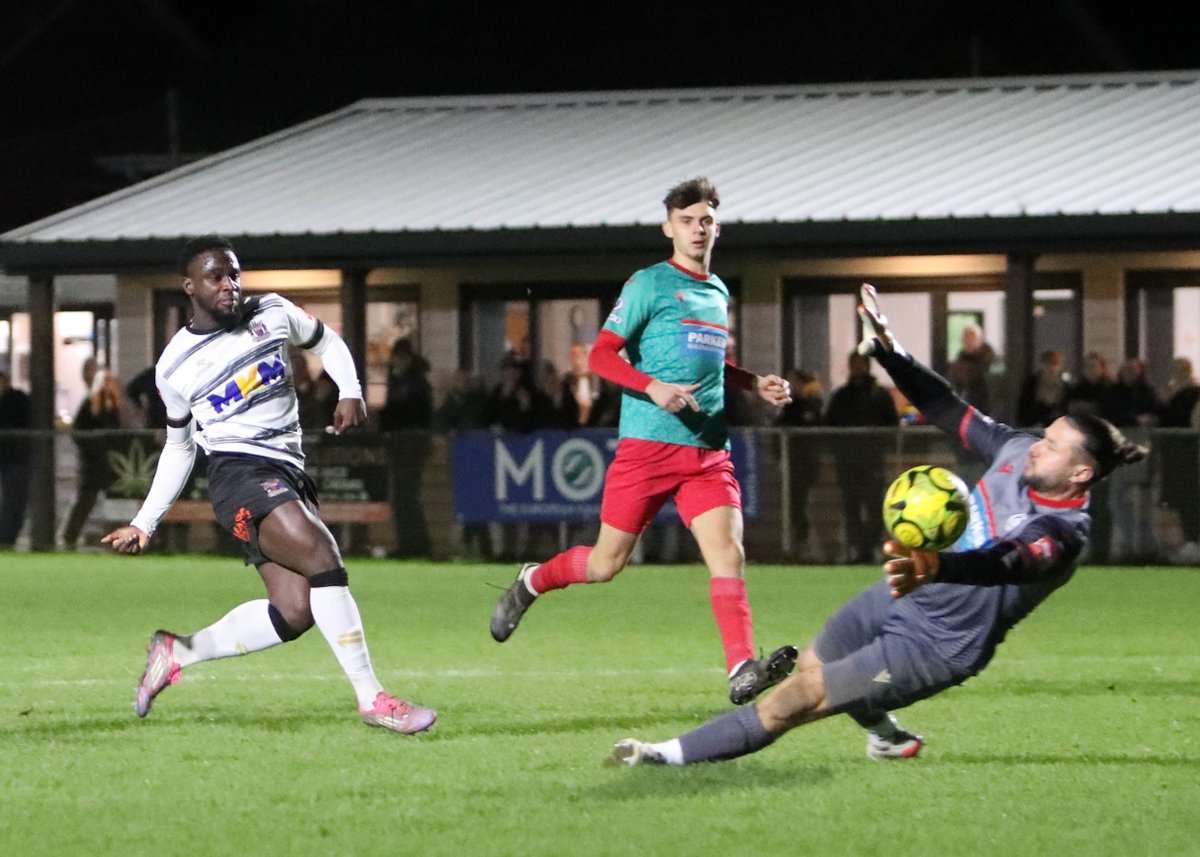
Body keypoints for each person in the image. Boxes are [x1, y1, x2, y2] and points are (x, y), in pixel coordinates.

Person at [608, 282, 1149, 767]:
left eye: (1052, 446)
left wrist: (937, 566)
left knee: (802, 698)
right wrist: (894, 356)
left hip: (939, 644)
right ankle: (887, 737)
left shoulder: (1066, 531)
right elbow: (946, 406)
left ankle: (663, 756)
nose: (1038, 446)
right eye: (1044, 435)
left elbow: (1006, 562)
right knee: (816, 661)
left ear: (1081, 473)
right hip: (906, 591)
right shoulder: (1017, 449)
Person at [101, 235, 434, 735]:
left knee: (295, 611)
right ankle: (374, 700)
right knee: (323, 556)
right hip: (237, 476)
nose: (230, 285)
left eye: (234, 274)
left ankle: (177, 651)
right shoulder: (174, 366)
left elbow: (325, 340)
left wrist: (350, 389)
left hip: (288, 472)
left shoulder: (272, 312)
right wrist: (145, 521)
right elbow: (180, 444)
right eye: (216, 276)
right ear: (189, 286)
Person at [489, 177, 795, 706]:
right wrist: (652, 386)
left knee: (729, 554)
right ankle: (534, 580)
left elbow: (708, 360)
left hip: (707, 452)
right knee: (606, 565)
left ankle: (741, 666)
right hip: (648, 448)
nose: (697, 230)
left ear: (716, 227)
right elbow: (604, 355)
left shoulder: (718, 291)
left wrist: (752, 382)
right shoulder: (647, 284)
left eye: (706, 221)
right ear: (668, 227)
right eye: (687, 221)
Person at [823, 351, 898, 563]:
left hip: (872, 460)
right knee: (851, 506)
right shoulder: (841, 396)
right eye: (854, 364)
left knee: (875, 506)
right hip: (847, 461)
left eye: (860, 363)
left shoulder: (879, 395)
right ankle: (855, 548)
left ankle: (873, 548)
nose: (857, 368)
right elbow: (830, 425)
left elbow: (891, 424)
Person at [62, 369, 132, 548]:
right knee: (85, 500)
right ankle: (68, 537)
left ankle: (117, 539)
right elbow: (78, 431)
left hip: (112, 462)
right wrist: (93, 447)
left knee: (116, 503)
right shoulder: (89, 404)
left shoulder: (116, 407)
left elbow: (120, 434)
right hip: (92, 462)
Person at [377, 337, 434, 558]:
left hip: (410, 444)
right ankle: (412, 543)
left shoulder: (415, 383)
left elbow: (408, 413)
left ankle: (415, 544)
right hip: (403, 444)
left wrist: (384, 417)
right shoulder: (403, 381)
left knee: (406, 497)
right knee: (403, 497)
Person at [1156, 356, 1200, 564]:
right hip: (1174, 454)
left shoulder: (1191, 393)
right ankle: (1187, 541)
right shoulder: (1176, 394)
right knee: (1180, 501)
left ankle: (1193, 541)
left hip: (1187, 455)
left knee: (1188, 499)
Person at [776, 368, 823, 560]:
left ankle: (810, 549)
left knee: (804, 506)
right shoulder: (791, 406)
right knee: (795, 506)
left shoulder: (813, 404)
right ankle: (797, 547)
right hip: (792, 464)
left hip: (806, 464)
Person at [0, 371, 32, 547]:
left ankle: (6, 538)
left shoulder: (15, 400)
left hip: (15, 459)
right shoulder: (18, 400)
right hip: (12, 460)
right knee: (13, 501)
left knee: (14, 501)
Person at [947, 323, 996, 415]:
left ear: (980, 340)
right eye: (966, 338)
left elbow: (995, 394)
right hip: (965, 412)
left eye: (973, 338)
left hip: (987, 412)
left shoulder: (991, 364)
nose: (969, 341)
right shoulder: (958, 365)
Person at [1017, 349, 1068, 428]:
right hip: (1034, 425)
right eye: (1048, 364)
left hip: (1057, 427)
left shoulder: (1064, 385)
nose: (1051, 368)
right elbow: (1024, 406)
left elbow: (1065, 408)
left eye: (1055, 365)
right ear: (1042, 365)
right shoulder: (1032, 383)